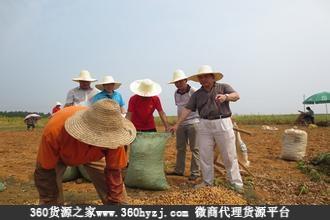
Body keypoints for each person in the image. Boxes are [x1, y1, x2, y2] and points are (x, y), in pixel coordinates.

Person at [34, 99, 136, 205]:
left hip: (94, 156)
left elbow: (114, 172)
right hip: (59, 155)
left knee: (119, 201)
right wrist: (50, 201)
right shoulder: (55, 131)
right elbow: (45, 172)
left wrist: (116, 203)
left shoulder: (114, 139)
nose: (100, 141)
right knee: (50, 199)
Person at [170, 65, 243, 192]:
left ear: (213, 77)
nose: (203, 80)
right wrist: (177, 124)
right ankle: (207, 182)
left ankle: (235, 182)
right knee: (205, 154)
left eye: (206, 77)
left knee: (229, 154)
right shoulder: (197, 94)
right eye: (201, 78)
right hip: (204, 123)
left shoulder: (223, 87)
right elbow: (187, 109)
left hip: (222, 121)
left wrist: (226, 97)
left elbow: (236, 95)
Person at [167, 69, 200, 181]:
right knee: (180, 148)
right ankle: (179, 170)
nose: (178, 84)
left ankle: (195, 172)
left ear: (186, 80)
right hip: (181, 124)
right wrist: (178, 123)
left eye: (180, 81)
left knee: (195, 148)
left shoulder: (194, 92)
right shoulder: (176, 93)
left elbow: (197, 108)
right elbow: (180, 107)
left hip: (194, 123)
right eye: (176, 82)